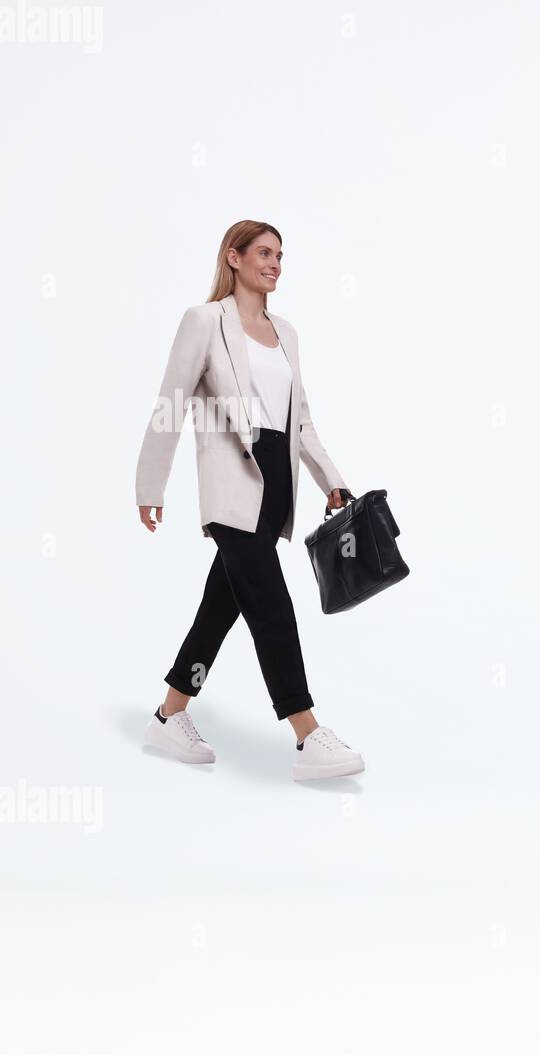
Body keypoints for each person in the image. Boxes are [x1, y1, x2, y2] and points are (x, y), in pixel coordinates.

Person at [136, 220, 366, 781]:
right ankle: (307, 733)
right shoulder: (204, 321)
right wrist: (150, 484)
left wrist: (330, 479)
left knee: (221, 607)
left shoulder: (286, 332)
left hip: (278, 482)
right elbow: (172, 400)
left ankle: (169, 716)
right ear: (233, 258)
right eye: (264, 253)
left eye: (281, 256)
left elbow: (301, 420)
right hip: (233, 481)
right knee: (271, 604)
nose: (275, 264)